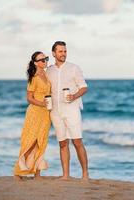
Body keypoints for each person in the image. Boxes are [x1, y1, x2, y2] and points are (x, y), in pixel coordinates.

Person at [47, 41, 89, 180]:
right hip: (55, 111)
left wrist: (74, 96)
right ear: (54, 53)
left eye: (65, 51)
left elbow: (84, 87)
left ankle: (85, 175)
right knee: (63, 143)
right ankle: (66, 175)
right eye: (60, 51)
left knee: (77, 141)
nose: (63, 54)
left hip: (71, 109)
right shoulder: (49, 70)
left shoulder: (74, 68)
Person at [13, 51, 51, 180]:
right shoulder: (33, 77)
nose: (45, 61)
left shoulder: (46, 73)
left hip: (46, 114)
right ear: (35, 63)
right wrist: (42, 103)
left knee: (41, 142)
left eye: (46, 59)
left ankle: (37, 173)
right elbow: (29, 98)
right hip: (35, 112)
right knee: (30, 141)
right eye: (42, 60)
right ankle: (18, 171)